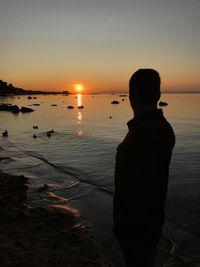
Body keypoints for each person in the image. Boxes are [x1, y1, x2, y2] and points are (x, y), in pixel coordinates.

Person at [113, 69, 175, 267]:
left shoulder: (135, 140)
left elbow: (127, 192)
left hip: (135, 227)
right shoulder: (164, 129)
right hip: (154, 219)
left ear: (131, 97)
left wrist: (119, 226)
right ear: (157, 95)